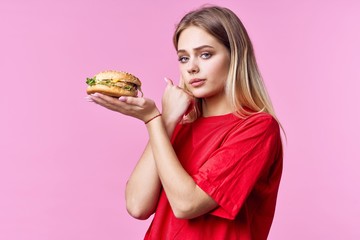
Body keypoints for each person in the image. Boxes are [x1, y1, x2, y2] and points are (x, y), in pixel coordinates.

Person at [87, 5, 283, 240]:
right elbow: (137, 205)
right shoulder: (178, 125)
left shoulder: (257, 128)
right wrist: (166, 120)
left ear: (235, 57)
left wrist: (152, 119)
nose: (191, 67)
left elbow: (187, 204)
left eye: (206, 54)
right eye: (183, 57)